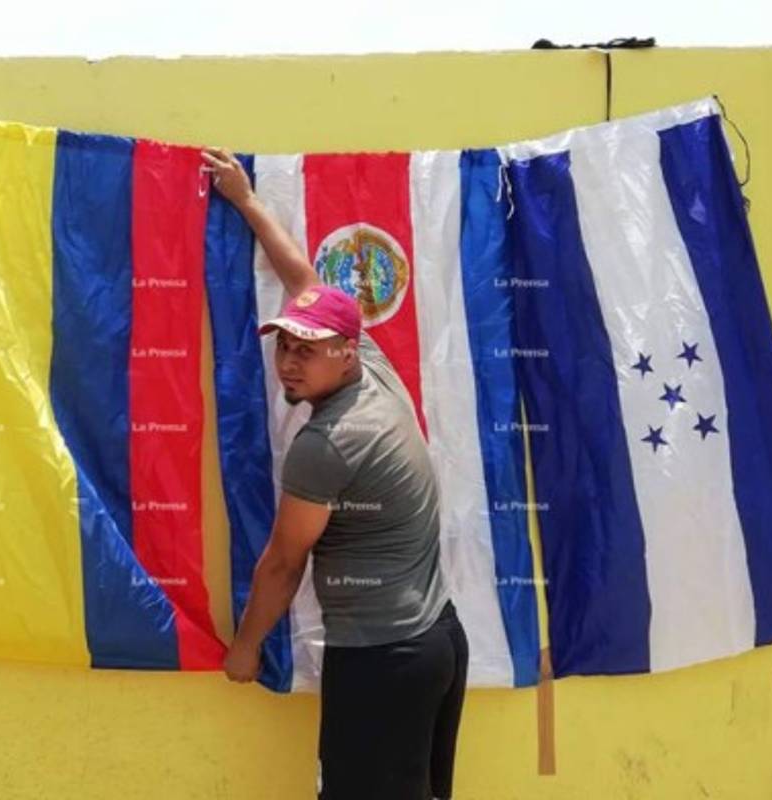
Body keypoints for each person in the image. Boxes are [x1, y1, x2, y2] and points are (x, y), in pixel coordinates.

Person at [202, 146, 470, 800]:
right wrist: (246, 200)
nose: (290, 364)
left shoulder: (326, 443)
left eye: (308, 352)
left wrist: (245, 649)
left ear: (345, 353)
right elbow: (303, 282)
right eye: (285, 347)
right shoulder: (371, 368)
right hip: (436, 638)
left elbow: (284, 565)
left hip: (382, 661)